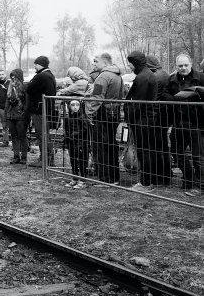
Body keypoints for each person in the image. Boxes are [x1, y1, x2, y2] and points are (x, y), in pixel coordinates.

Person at [161, 54, 204, 196]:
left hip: (196, 123)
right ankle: (189, 179)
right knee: (177, 153)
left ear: (191, 63)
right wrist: (175, 99)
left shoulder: (200, 77)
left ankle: (200, 186)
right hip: (178, 122)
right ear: (176, 66)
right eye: (180, 66)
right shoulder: (172, 79)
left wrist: (195, 98)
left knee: (198, 156)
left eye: (186, 65)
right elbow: (164, 94)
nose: (183, 68)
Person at [85, 53, 124, 184]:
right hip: (114, 114)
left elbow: (96, 97)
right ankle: (114, 177)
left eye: (96, 61)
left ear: (105, 63)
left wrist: (90, 114)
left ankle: (105, 179)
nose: (94, 64)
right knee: (112, 146)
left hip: (102, 116)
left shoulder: (103, 77)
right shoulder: (118, 76)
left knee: (101, 147)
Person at [125, 51, 161, 191]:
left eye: (130, 62)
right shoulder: (147, 74)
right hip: (147, 117)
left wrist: (130, 117)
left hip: (142, 119)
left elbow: (137, 103)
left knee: (143, 150)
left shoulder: (142, 77)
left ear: (136, 62)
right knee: (146, 150)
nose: (129, 65)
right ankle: (148, 180)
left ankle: (145, 183)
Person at [24, 56, 57, 167]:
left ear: (41, 65)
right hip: (46, 109)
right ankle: (49, 158)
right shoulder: (50, 75)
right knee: (46, 134)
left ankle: (44, 160)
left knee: (41, 135)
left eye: (36, 64)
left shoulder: (41, 76)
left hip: (39, 110)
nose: (34, 66)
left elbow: (29, 89)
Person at [63, 99, 90, 188]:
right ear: (69, 107)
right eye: (73, 105)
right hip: (71, 143)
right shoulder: (67, 118)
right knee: (73, 160)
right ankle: (75, 178)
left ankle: (83, 180)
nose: (75, 107)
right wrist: (66, 139)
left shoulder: (82, 117)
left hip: (81, 143)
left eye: (77, 105)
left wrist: (76, 134)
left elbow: (85, 130)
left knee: (82, 162)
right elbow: (66, 129)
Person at [5, 68, 28, 164]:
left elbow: (26, 102)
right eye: (11, 76)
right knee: (14, 137)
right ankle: (16, 156)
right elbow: (7, 101)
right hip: (11, 115)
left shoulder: (24, 87)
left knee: (22, 137)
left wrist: (25, 113)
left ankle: (24, 157)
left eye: (14, 76)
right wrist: (6, 113)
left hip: (20, 116)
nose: (13, 78)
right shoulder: (10, 88)